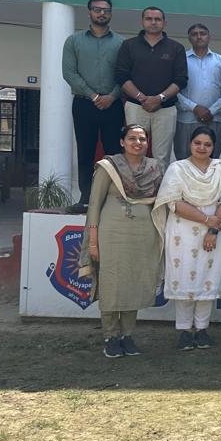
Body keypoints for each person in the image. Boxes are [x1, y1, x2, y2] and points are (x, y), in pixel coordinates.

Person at [84, 124, 164, 358]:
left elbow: (161, 202)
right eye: (132, 138)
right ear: (122, 142)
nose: (137, 143)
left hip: (143, 235)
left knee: (134, 283)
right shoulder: (108, 167)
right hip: (112, 235)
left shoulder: (155, 168)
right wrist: (92, 242)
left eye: (142, 139)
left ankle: (127, 336)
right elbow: (94, 204)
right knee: (111, 284)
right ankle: (110, 337)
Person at [153, 125, 221, 351]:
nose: (202, 148)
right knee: (184, 279)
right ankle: (185, 331)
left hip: (214, 233)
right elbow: (174, 203)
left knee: (208, 279)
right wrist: (207, 220)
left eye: (207, 144)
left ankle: (203, 329)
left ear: (214, 147)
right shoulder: (177, 168)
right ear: (190, 144)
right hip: (183, 233)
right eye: (198, 143)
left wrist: (213, 230)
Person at [62, 0, 125, 210]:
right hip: (84, 104)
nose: (102, 13)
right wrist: (94, 96)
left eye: (106, 10)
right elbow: (69, 73)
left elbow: (125, 74)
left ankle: (115, 197)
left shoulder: (121, 43)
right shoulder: (74, 41)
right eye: (97, 9)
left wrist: (112, 96)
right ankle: (86, 198)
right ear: (89, 12)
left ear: (111, 14)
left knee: (114, 153)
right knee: (85, 152)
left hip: (113, 105)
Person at [115, 6, 188, 169]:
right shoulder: (129, 45)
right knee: (134, 151)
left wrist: (159, 98)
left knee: (161, 156)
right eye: (149, 19)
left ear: (164, 23)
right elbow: (121, 76)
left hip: (166, 108)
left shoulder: (176, 48)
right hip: (136, 106)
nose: (153, 22)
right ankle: (133, 185)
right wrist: (142, 98)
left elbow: (181, 80)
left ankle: (159, 186)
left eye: (157, 19)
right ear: (142, 22)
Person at [175, 24, 221, 161]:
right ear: (189, 38)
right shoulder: (180, 59)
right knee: (184, 160)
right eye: (194, 34)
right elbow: (174, 90)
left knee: (212, 161)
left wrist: (212, 111)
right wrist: (194, 108)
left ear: (209, 37)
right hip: (186, 119)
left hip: (214, 119)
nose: (199, 37)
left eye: (202, 33)